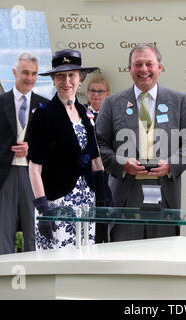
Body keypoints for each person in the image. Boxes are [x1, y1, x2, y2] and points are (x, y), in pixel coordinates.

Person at [96, 43, 186, 242]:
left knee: (163, 260)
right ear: (129, 69)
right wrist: (122, 163)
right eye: (138, 64)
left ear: (160, 68)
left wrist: (171, 164)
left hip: (165, 194)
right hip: (125, 195)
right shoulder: (111, 103)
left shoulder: (179, 101)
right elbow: (100, 144)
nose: (144, 70)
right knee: (124, 260)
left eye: (149, 64)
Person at [28, 49, 108, 250]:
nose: (66, 81)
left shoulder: (84, 112)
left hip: (86, 203)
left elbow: (95, 159)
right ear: (54, 80)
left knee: (86, 258)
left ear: (80, 79)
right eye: (60, 76)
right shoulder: (43, 115)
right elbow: (34, 168)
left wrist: (104, 195)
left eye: (71, 75)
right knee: (58, 264)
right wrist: (43, 209)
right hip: (57, 202)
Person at [0, 52, 50, 254]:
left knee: (33, 232)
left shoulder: (44, 106)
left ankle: (32, 276)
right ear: (14, 72)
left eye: (34, 74)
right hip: (4, 175)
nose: (30, 78)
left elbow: (51, 145)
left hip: (34, 176)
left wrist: (32, 147)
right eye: (25, 72)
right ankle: (6, 276)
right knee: (5, 231)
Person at [85, 76, 114, 243]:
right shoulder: (80, 112)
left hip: (107, 173)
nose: (96, 95)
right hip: (87, 173)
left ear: (107, 93)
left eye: (100, 91)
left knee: (104, 213)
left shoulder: (112, 115)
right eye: (92, 91)